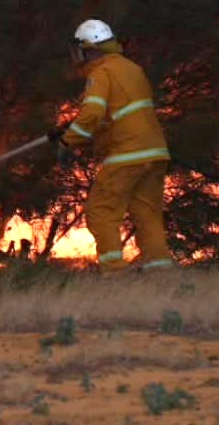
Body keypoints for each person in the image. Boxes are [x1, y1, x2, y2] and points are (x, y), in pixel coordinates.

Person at [49, 19, 173, 274]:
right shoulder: (132, 69)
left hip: (128, 153)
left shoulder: (101, 72)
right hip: (155, 152)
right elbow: (117, 115)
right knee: (148, 216)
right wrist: (70, 128)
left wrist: (67, 141)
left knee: (100, 212)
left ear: (88, 49)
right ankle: (161, 274)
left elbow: (93, 113)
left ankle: (115, 274)